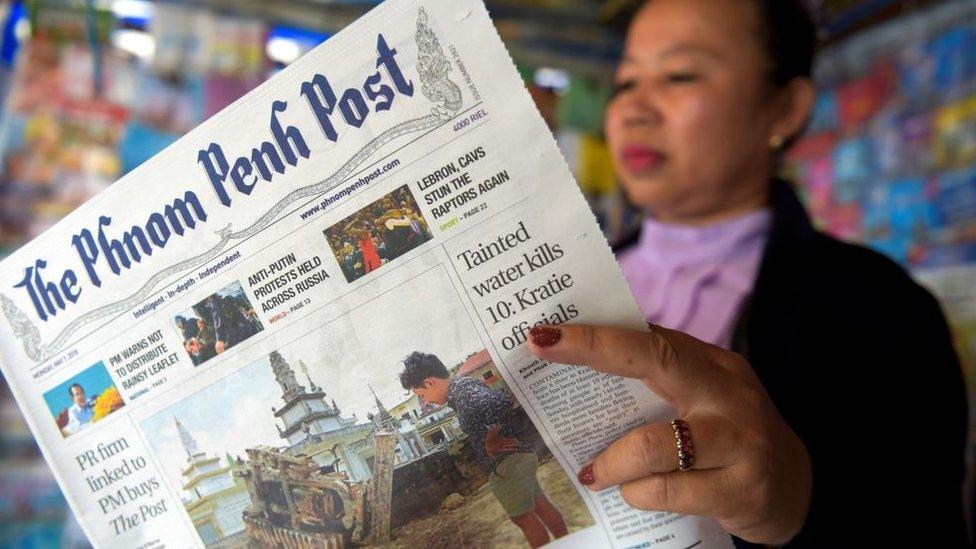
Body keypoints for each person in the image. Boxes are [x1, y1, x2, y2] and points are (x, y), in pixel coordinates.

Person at [526, 1, 968, 547]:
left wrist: (797, 503)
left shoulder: (880, 307)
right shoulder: (571, 280)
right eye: (626, 83)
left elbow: (927, 524)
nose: (632, 110)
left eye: (679, 75)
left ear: (783, 108)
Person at [399, 352, 568, 548]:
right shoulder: (463, 387)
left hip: (507, 464)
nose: (425, 401)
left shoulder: (462, 393)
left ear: (429, 383)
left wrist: (492, 436)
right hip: (515, 458)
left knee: (524, 519)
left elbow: (499, 403)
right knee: (540, 505)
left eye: (422, 396)